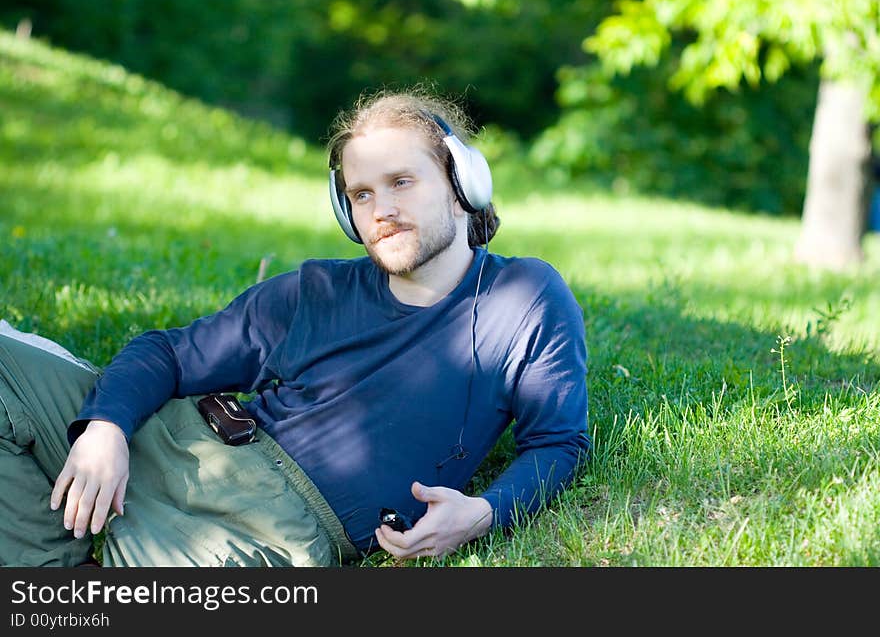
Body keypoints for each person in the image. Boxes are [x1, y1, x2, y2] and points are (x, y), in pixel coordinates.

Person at [0, 89, 590, 567]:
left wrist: (483, 513)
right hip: (178, 440)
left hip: (269, 529)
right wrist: (105, 428)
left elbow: (558, 443)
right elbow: (169, 356)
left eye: (401, 182)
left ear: (464, 186)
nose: (380, 208)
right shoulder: (316, 291)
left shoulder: (527, 297)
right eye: (361, 194)